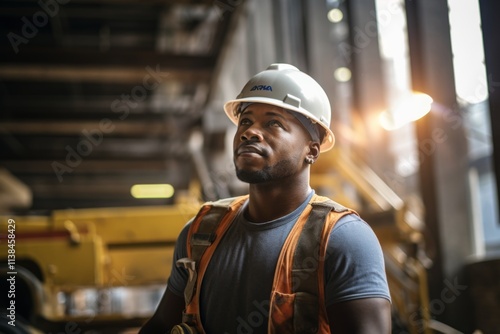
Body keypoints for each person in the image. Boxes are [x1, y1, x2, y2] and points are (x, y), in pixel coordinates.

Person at [139, 63, 391, 334]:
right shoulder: (200, 233)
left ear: (312, 151)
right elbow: (161, 326)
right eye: (245, 121)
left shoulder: (342, 239)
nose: (249, 132)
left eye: (273, 123)